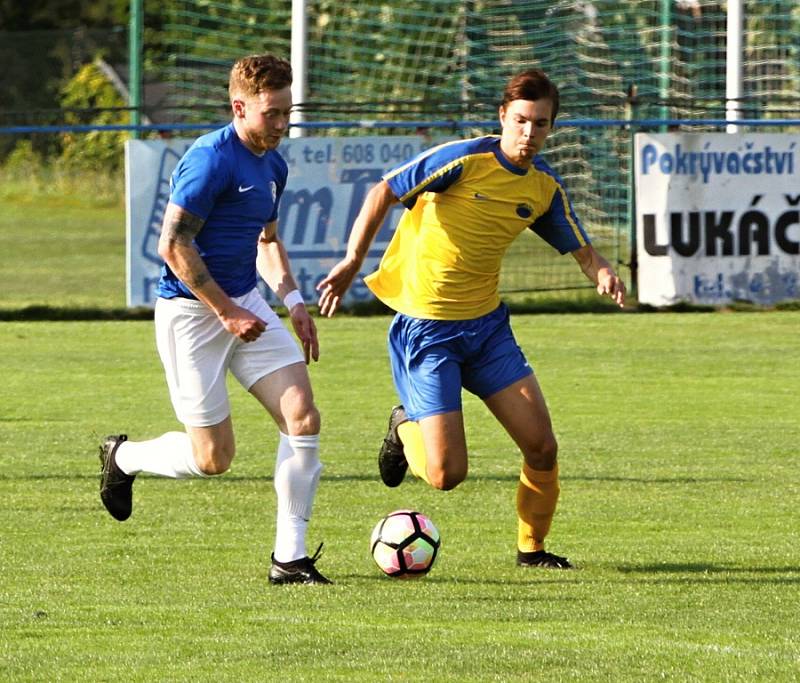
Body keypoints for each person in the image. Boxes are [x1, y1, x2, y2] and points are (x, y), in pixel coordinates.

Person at [317, 68, 625, 569]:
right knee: (445, 474)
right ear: (503, 115)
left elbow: (582, 249)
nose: (529, 134)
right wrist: (353, 262)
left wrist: (602, 270)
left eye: (541, 124)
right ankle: (403, 427)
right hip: (427, 330)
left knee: (542, 447)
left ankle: (532, 550)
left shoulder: (544, 187)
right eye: (522, 120)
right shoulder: (464, 160)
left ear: (552, 127)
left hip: (487, 332)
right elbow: (384, 191)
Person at [98, 54, 331, 585]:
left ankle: (288, 560)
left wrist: (293, 302)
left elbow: (266, 241)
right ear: (239, 106)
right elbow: (173, 245)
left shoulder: (274, 163)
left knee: (303, 418)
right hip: (192, 314)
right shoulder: (211, 160)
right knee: (213, 459)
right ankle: (126, 458)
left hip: (245, 302)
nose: (281, 124)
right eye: (271, 113)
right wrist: (224, 312)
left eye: (286, 112)